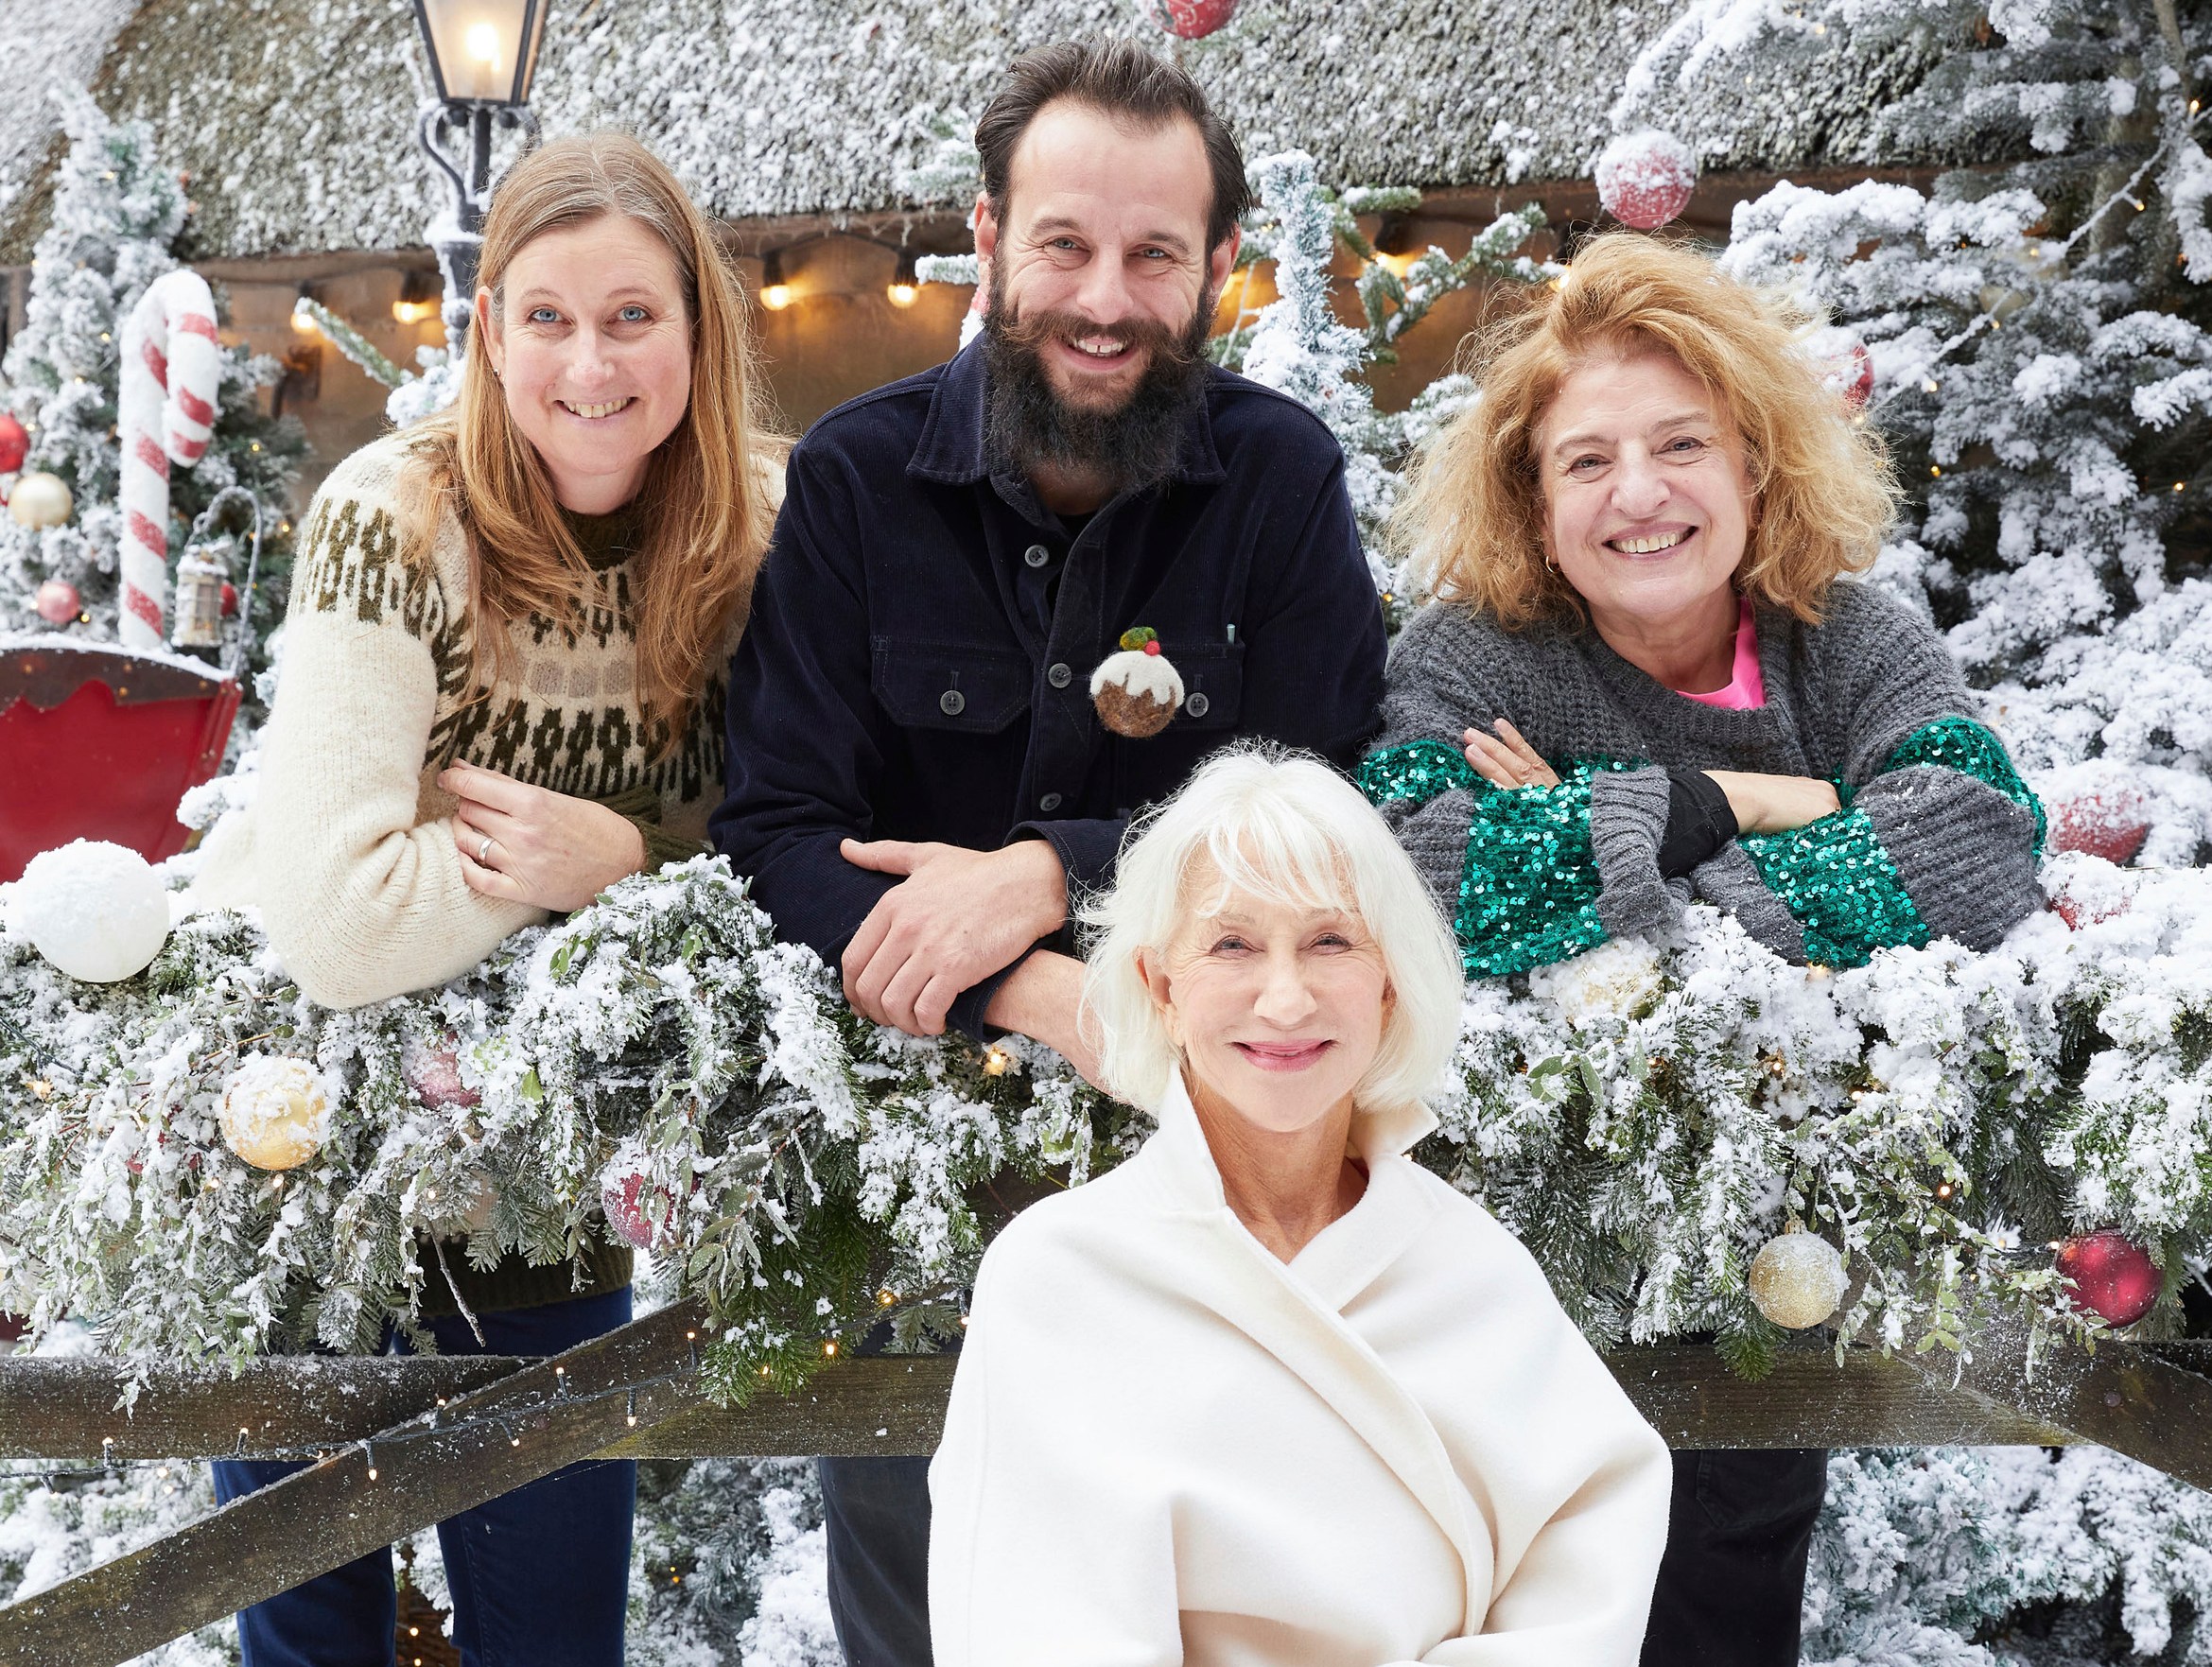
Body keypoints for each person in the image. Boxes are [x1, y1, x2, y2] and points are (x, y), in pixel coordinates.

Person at [709, 40, 1386, 1666]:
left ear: (1217, 265)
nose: (1104, 297)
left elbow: (1330, 796)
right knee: (923, 1594)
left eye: (1153, 255)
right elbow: (774, 833)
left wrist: (1049, 868)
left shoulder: (1279, 479)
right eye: (1065, 246)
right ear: (990, 235)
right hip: (909, 1186)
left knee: (1218, 1597)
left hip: (1219, 1169)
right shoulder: (860, 481)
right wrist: (1026, 985)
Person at [1364, 232, 2044, 1667]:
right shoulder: (1470, 657)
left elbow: (1971, 849)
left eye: (1681, 442)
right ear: (1529, 501)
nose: (1639, 492)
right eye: (1585, 459)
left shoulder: (1846, 638)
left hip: (1762, 1253)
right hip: (1509, 1259)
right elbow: (1411, 879)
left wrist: (1586, 846)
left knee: (1723, 1582)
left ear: (1752, 462)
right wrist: (1733, 800)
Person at [189, 132, 782, 1666]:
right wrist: (639, 855)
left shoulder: (764, 535)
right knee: (312, 1641)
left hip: (550, 1174)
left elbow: (803, 842)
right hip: (309, 1146)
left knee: (553, 1637)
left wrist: (623, 862)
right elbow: (334, 917)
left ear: (697, 328)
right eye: (544, 316)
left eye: (632, 315)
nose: (589, 362)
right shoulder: (396, 521)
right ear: (487, 328)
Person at [928, 746, 1674, 1665]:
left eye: (1328, 941)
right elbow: (1030, 1622)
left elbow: (1585, 1560)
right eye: (1231, 944)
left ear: (1387, 981)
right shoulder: (1058, 1274)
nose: (1283, 998)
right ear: (1161, 987)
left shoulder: (1472, 1266)